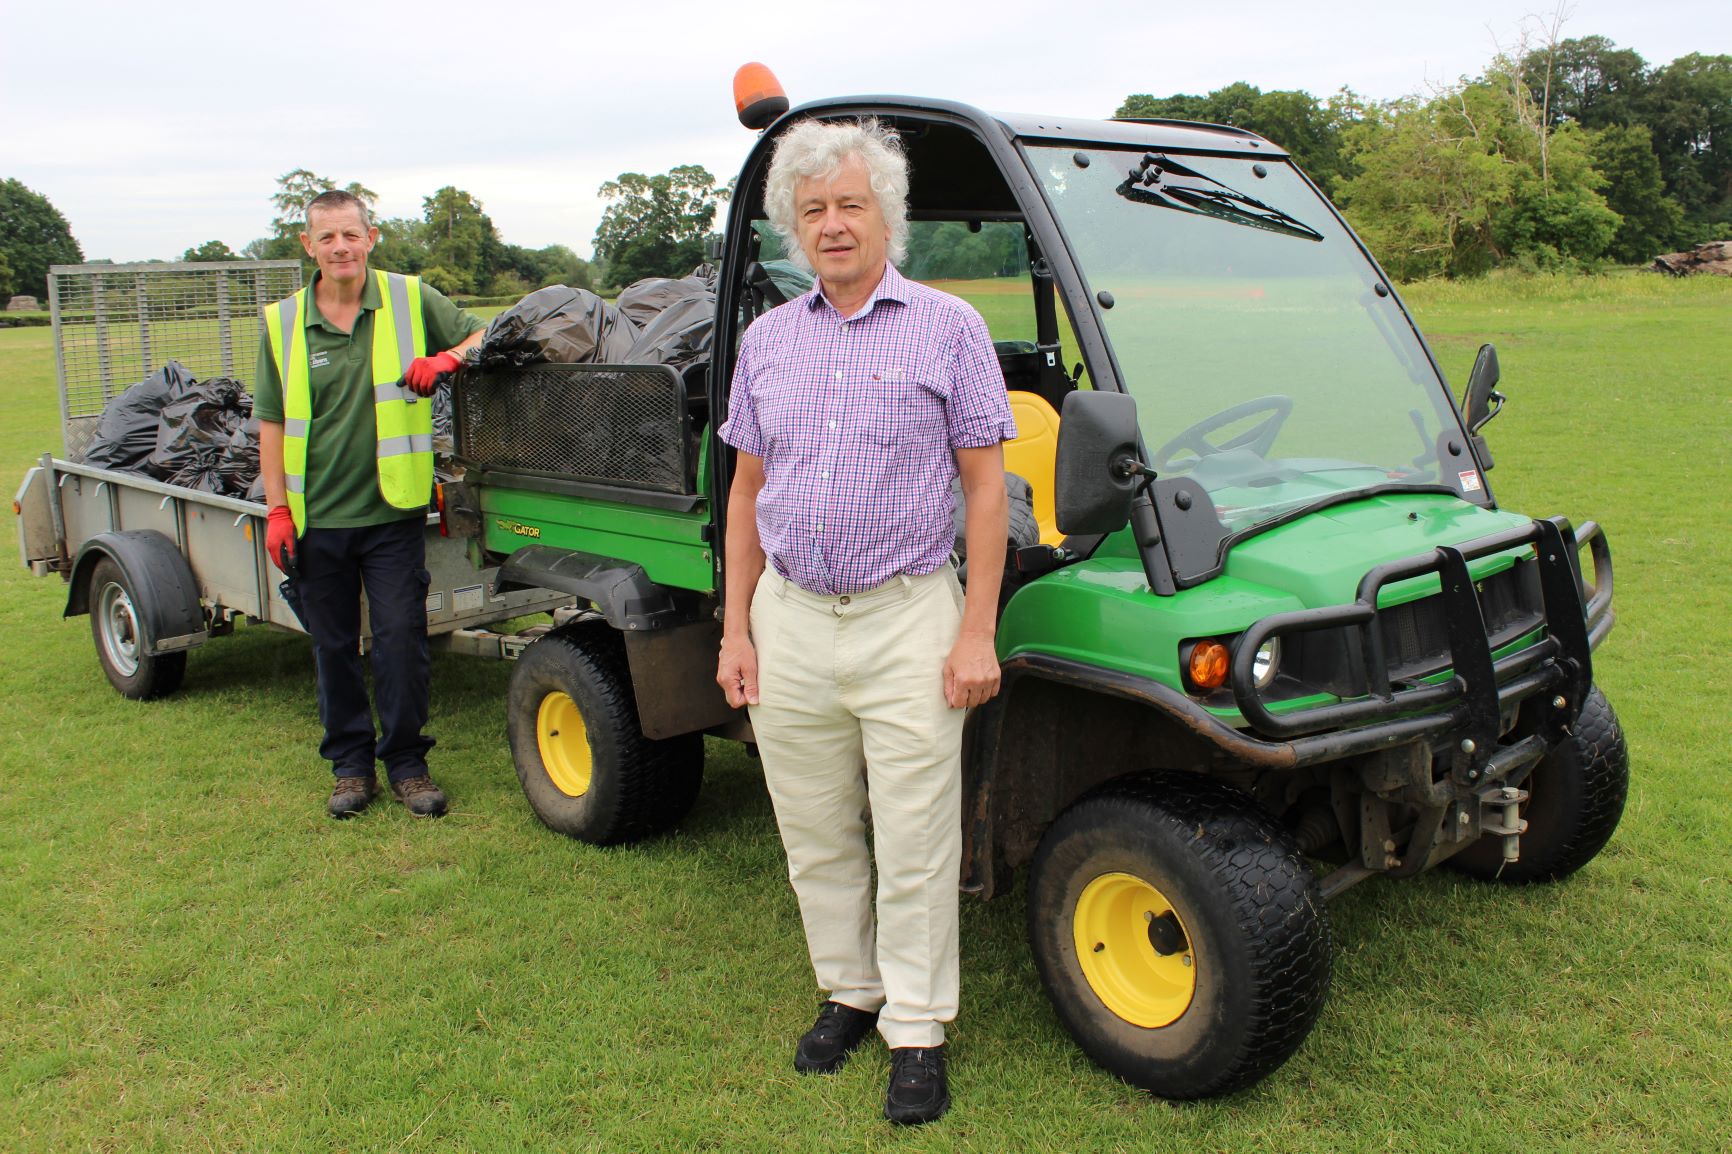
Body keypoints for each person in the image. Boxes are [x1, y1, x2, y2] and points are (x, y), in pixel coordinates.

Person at [716, 119, 1014, 1126]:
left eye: (851, 204)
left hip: (906, 620)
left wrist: (975, 631)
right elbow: (746, 490)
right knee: (813, 827)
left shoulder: (948, 327)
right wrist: (735, 631)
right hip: (789, 616)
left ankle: (918, 1026)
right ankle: (850, 989)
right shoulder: (767, 339)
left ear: (886, 213)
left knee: (917, 834)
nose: (833, 225)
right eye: (813, 211)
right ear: (792, 230)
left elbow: (985, 491)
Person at [255, 189, 485, 820]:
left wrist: (446, 358)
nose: (340, 248)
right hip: (316, 519)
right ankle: (350, 768)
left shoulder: (410, 299)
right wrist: (277, 510)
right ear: (308, 246)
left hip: (392, 514)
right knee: (333, 648)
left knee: (400, 642)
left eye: (350, 235)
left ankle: (408, 763)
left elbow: (487, 334)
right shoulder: (282, 323)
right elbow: (271, 424)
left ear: (370, 237)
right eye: (326, 238)